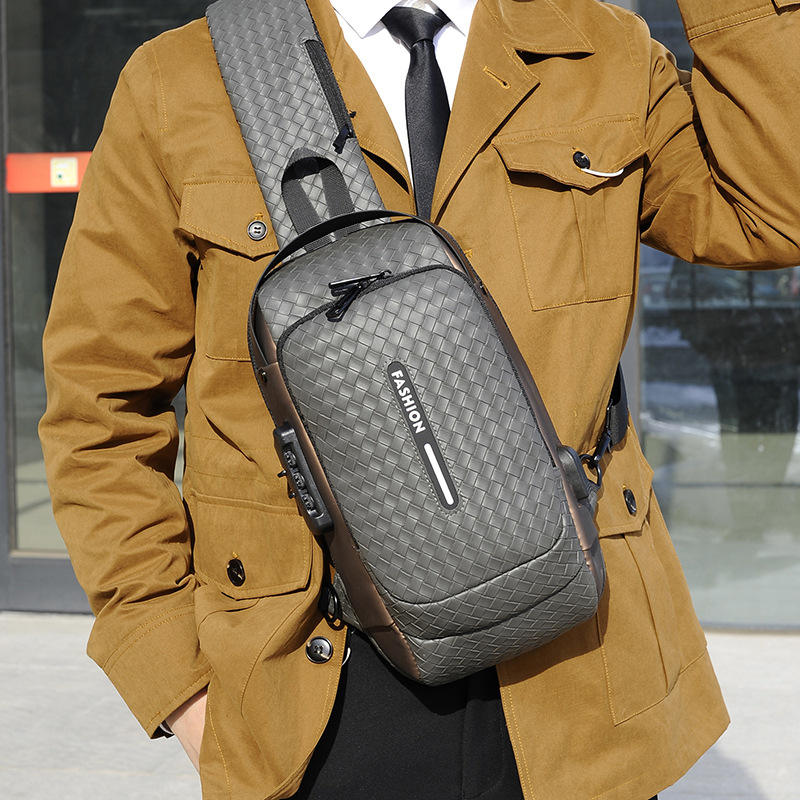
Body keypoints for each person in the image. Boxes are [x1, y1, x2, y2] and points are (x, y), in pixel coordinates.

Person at [39, 0, 799, 798]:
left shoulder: (600, 47)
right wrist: (178, 684)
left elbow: (773, 211)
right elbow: (98, 404)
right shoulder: (185, 80)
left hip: (579, 670)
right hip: (318, 685)